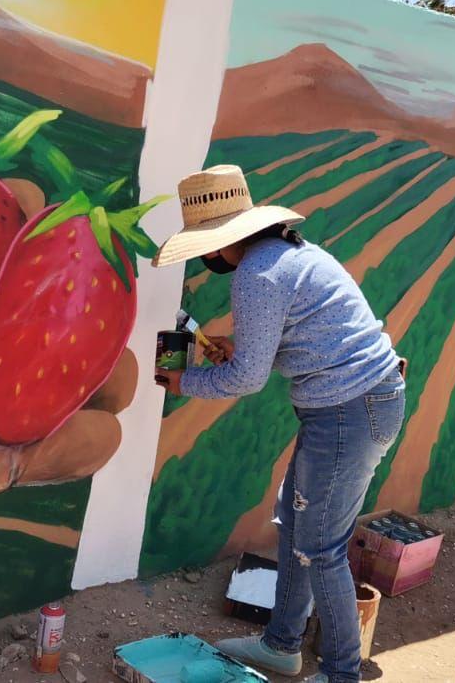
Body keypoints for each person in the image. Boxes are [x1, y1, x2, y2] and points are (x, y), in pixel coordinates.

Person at [151, 164, 406, 683]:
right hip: (356, 404)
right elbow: (285, 343)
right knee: (295, 523)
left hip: (346, 412)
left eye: (204, 247)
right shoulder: (287, 254)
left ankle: (340, 674)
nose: (205, 258)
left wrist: (185, 383)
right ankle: (281, 645)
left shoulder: (257, 274)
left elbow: (246, 379)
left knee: (320, 547)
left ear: (221, 243)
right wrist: (238, 352)